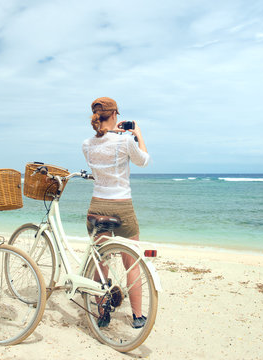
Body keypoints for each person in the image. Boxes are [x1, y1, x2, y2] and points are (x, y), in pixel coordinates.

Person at [82, 97, 150, 329]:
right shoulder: (125, 142)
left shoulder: (86, 144)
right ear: (114, 115)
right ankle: (138, 316)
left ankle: (102, 313)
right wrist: (137, 134)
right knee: (131, 262)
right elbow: (143, 161)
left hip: (97, 205)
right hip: (121, 205)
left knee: (101, 261)